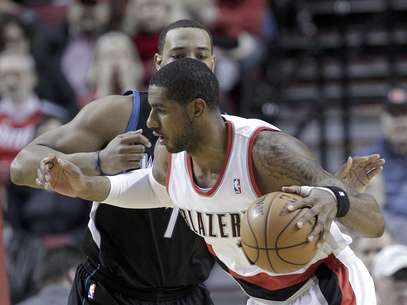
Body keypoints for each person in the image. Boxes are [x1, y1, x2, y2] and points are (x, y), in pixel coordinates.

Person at [38, 59, 384, 305]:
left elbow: (374, 221)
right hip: (262, 296)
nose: (150, 120)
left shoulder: (266, 152)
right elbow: (155, 190)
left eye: (161, 110)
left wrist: (337, 198)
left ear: (197, 109)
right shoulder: (168, 155)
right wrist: (85, 186)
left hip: (326, 285)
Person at [10, 19, 218, 305]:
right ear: (158, 63)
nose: (191, 64)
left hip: (185, 294)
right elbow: (21, 167)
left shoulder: (230, 132)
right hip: (111, 291)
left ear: (213, 63)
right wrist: (98, 161)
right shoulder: (122, 114)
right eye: (179, 55)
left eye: (201, 55)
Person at [360, 87, 407, 245]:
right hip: (384, 241)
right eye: (393, 114)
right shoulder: (367, 160)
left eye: (404, 113)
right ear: (383, 119)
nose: (400, 121)